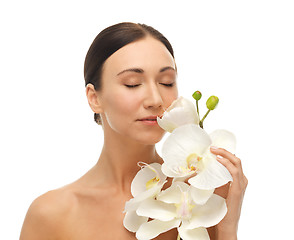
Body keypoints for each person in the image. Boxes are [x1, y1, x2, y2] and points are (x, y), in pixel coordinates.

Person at [20, 22, 247, 240]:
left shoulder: (204, 195)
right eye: (132, 83)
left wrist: (227, 229)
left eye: (167, 82)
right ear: (94, 98)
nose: (156, 99)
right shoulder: (51, 214)